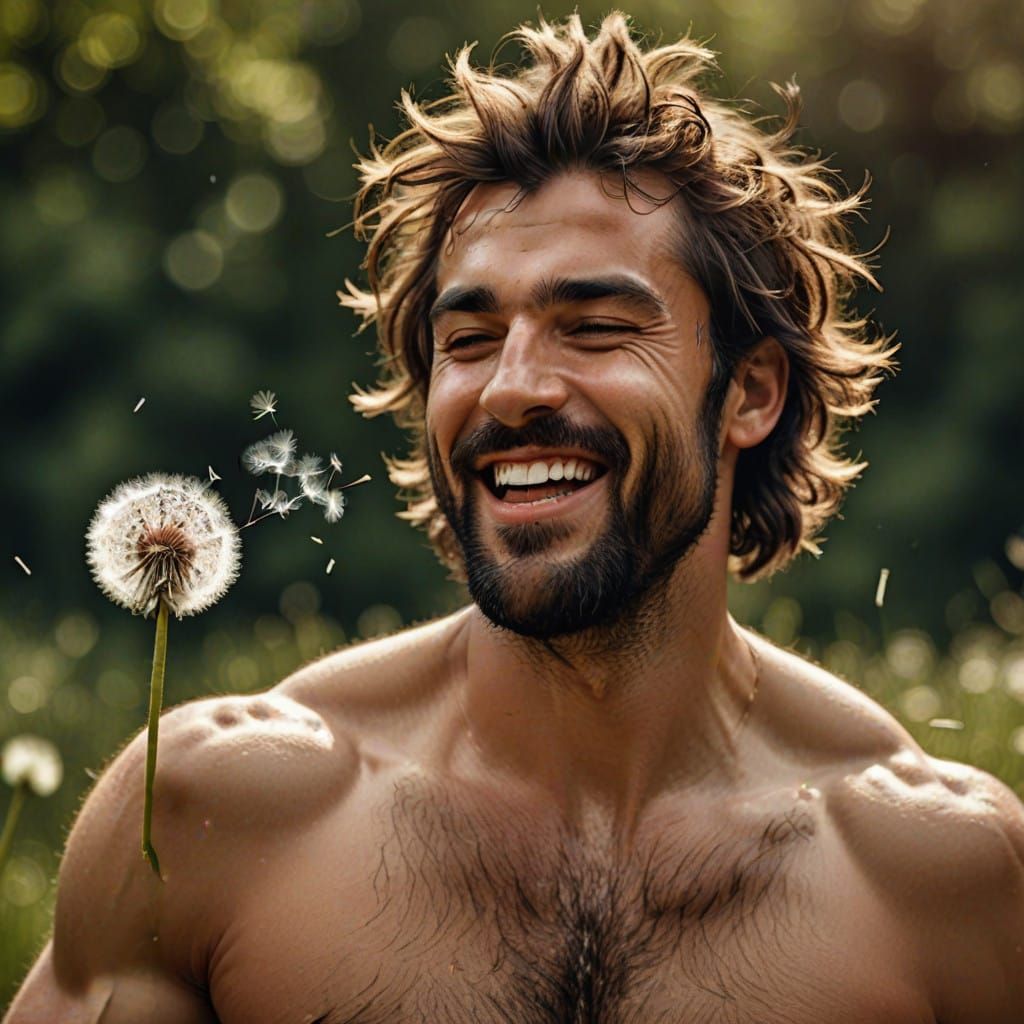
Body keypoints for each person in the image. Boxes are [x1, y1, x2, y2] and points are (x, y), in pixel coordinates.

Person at [6, 12, 1023, 1024]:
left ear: (749, 393)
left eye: (595, 327)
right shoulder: (216, 816)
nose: (510, 387)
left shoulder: (937, 878)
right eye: (469, 339)